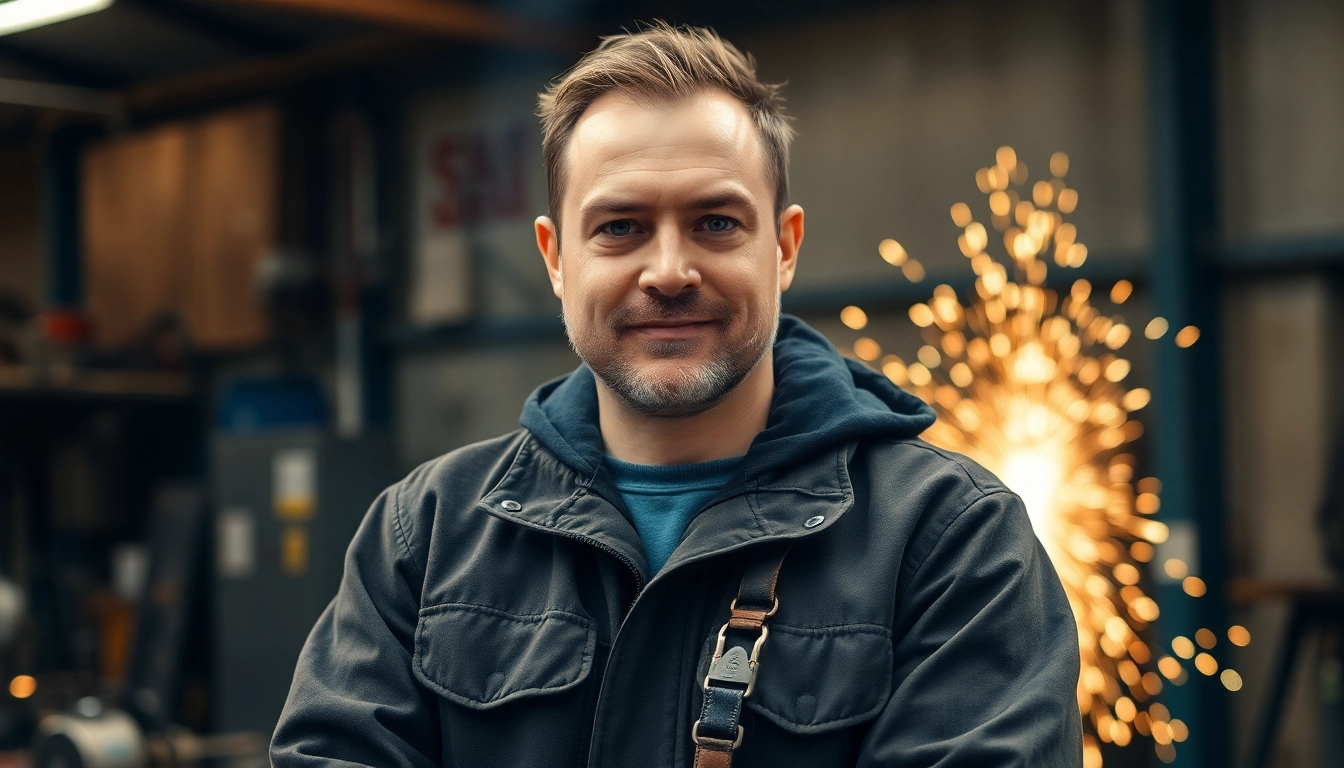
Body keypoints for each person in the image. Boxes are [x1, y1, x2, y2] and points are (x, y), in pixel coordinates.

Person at [271, 22, 1082, 768]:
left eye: (716, 223)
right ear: (556, 259)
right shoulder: (426, 537)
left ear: (785, 246)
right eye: (619, 227)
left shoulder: (949, 543)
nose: (667, 271)